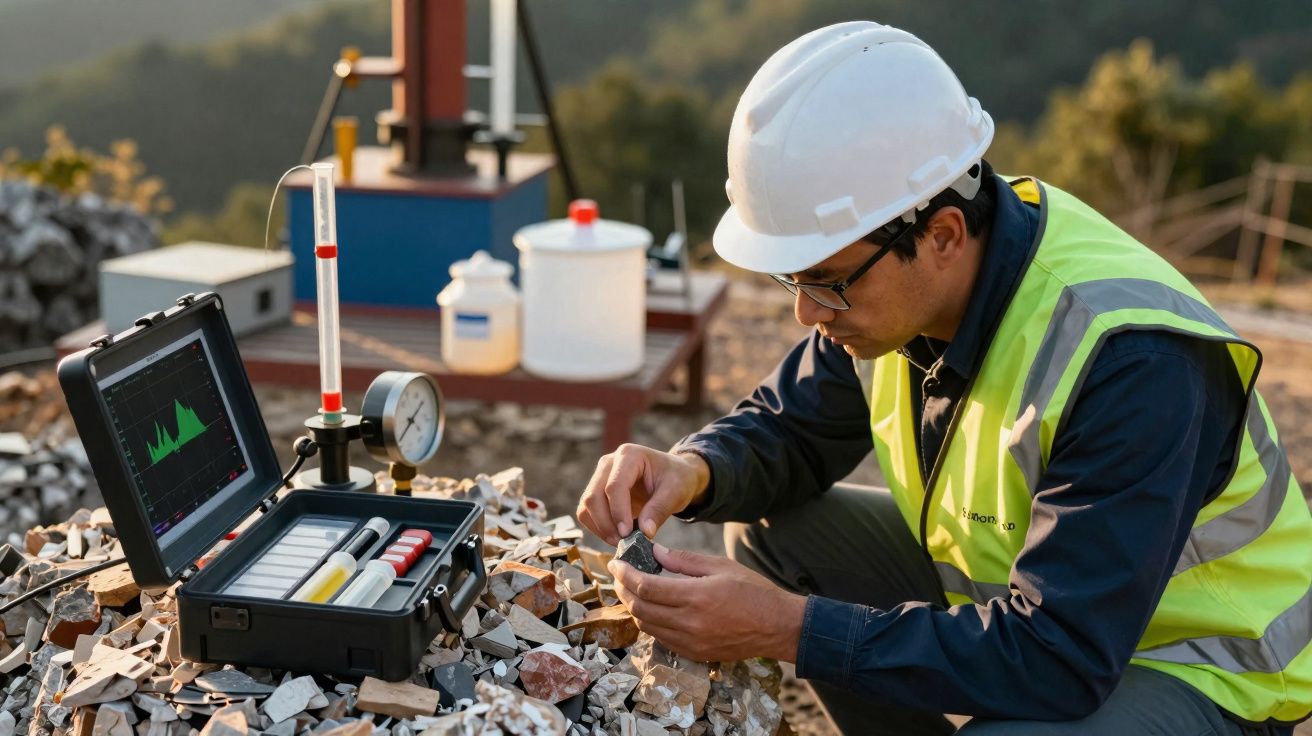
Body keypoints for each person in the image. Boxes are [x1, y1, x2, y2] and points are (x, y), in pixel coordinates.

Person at [574, 21, 1312, 736]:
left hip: (1198, 664)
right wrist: (693, 468)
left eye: (825, 281)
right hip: (1044, 610)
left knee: (823, 621)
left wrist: (788, 628)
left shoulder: (1134, 361)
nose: (805, 311)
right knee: (775, 530)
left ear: (943, 237)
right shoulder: (903, 276)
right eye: (791, 278)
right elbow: (792, 426)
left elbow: (1061, 655)